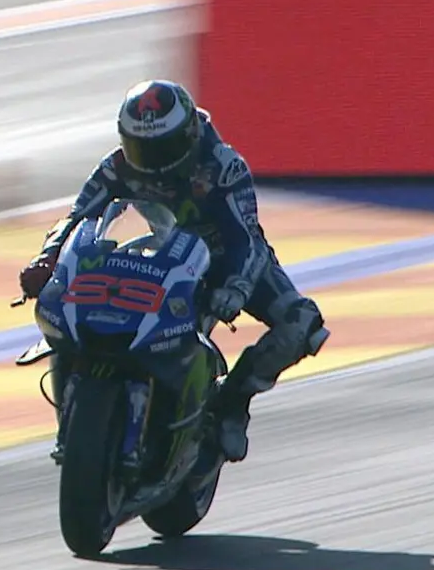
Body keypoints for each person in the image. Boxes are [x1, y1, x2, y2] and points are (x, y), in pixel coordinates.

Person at [18, 79, 329, 464]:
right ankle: (76, 416)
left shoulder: (223, 167)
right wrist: (47, 259)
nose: (151, 161)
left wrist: (234, 287)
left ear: (189, 135)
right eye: (140, 148)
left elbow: (245, 238)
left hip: (227, 263)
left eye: (162, 148)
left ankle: (233, 403)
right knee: (75, 307)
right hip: (164, 253)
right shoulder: (116, 166)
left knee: (302, 324)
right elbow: (76, 218)